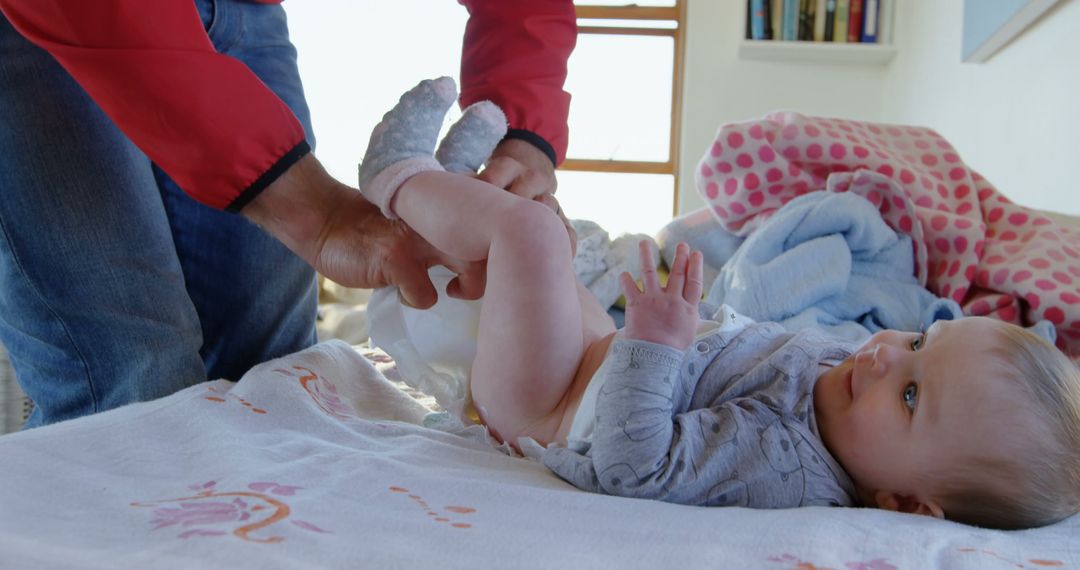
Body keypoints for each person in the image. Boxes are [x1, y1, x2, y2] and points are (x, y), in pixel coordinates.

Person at [357, 77, 1080, 531]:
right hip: (588, 363)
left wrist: (657, 346)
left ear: (904, 506)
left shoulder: (786, 466)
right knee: (542, 233)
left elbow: (630, 466)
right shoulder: (850, 388)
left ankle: (393, 179)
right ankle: (443, 194)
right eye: (920, 343)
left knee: (530, 239)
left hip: (546, 406)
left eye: (913, 394)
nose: (887, 354)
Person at [0, 0, 576, 427]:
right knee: (133, 378)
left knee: (273, 373)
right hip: (45, 19)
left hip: (245, 15)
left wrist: (525, 129)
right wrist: (317, 211)